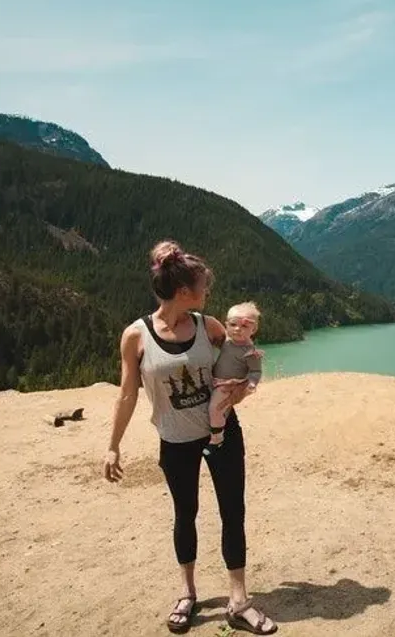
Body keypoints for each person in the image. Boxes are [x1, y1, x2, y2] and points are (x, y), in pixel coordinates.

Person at [102, 240, 277, 635]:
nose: (207, 293)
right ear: (184, 291)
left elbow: (237, 357)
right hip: (175, 438)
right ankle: (188, 593)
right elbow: (127, 392)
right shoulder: (137, 335)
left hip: (222, 433)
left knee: (233, 511)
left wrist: (242, 389)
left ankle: (238, 600)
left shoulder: (208, 325)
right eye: (203, 287)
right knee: (186, 514)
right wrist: (113, 444)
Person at [205, 302, 263, 455]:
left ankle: (216, 438)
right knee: (218, 409)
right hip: (215, 380)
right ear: (226, 325)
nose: (237, 329)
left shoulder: (251, 352)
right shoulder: (225, 341)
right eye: (233, 324)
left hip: (228, 384)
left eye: (244, 326)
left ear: (253, 329)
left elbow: (256, 371)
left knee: (215, 408)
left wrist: (250, 384)